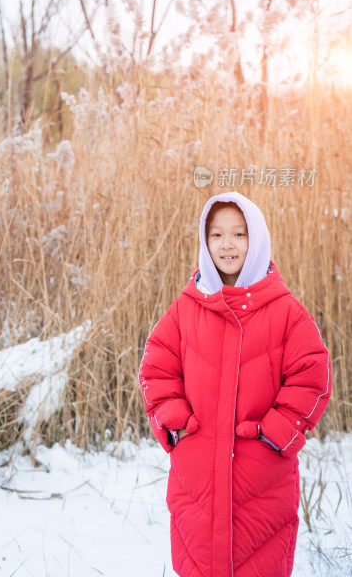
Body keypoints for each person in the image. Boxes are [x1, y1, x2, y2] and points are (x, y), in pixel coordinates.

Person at [139, 191, 331, 577]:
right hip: (198, 477)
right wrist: (177, 425)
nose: (227, 244)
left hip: (262, 477)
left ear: (256, 239)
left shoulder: (286, 311)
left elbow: (311, 377)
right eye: (217, 235)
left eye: (239, 234)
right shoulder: (185, 309)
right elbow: (156, 371)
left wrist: (276, 435)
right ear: (204, 241)